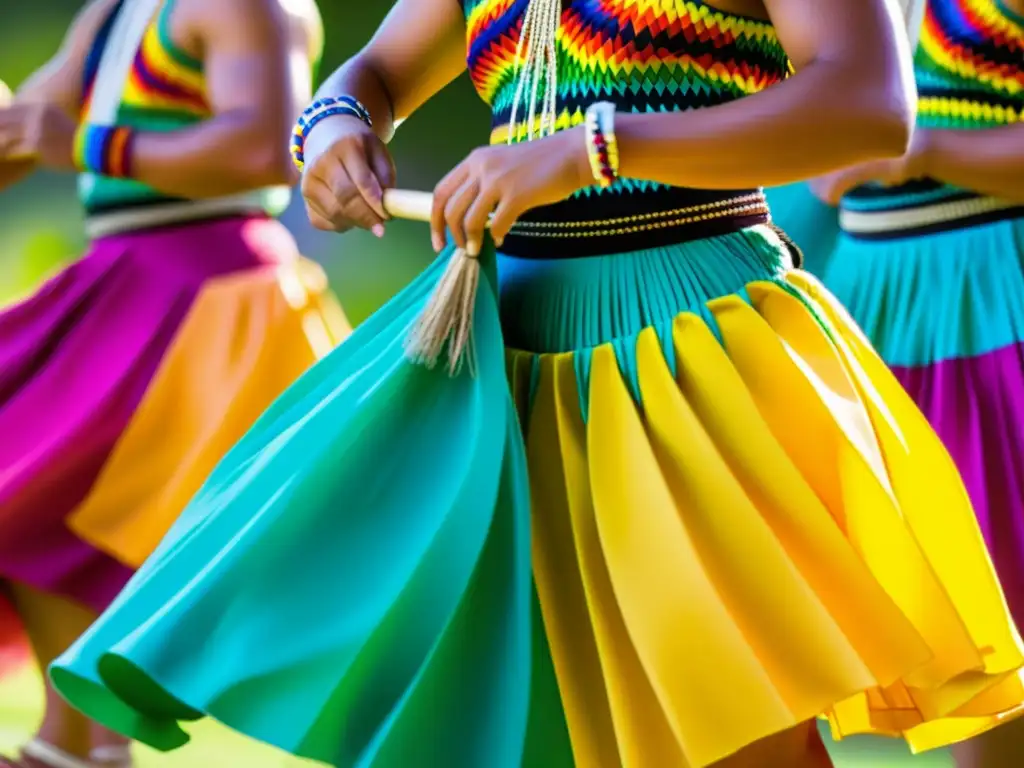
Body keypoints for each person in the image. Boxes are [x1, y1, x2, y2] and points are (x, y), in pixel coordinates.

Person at [47, 0, 1024, 766]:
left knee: (730, 723)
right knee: (514, 712)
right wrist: (337, 126)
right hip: (501, 350)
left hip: (691, 345)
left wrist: (598, 146)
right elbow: (374, 71)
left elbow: (868, 105)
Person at [0, 0, 348, 766]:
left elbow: (263, 147)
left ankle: (89, 743)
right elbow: (30, 128)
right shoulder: (111, 13)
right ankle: (73, 743)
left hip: (209, 292)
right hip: (125, 281)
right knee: (38, 496)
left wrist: (91, 144)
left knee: (55, 495)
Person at [807, 0, 1024, 763]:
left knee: (1007, 589)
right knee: (963, 638)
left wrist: (921, 150)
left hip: (989, 300)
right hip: (876, 307)